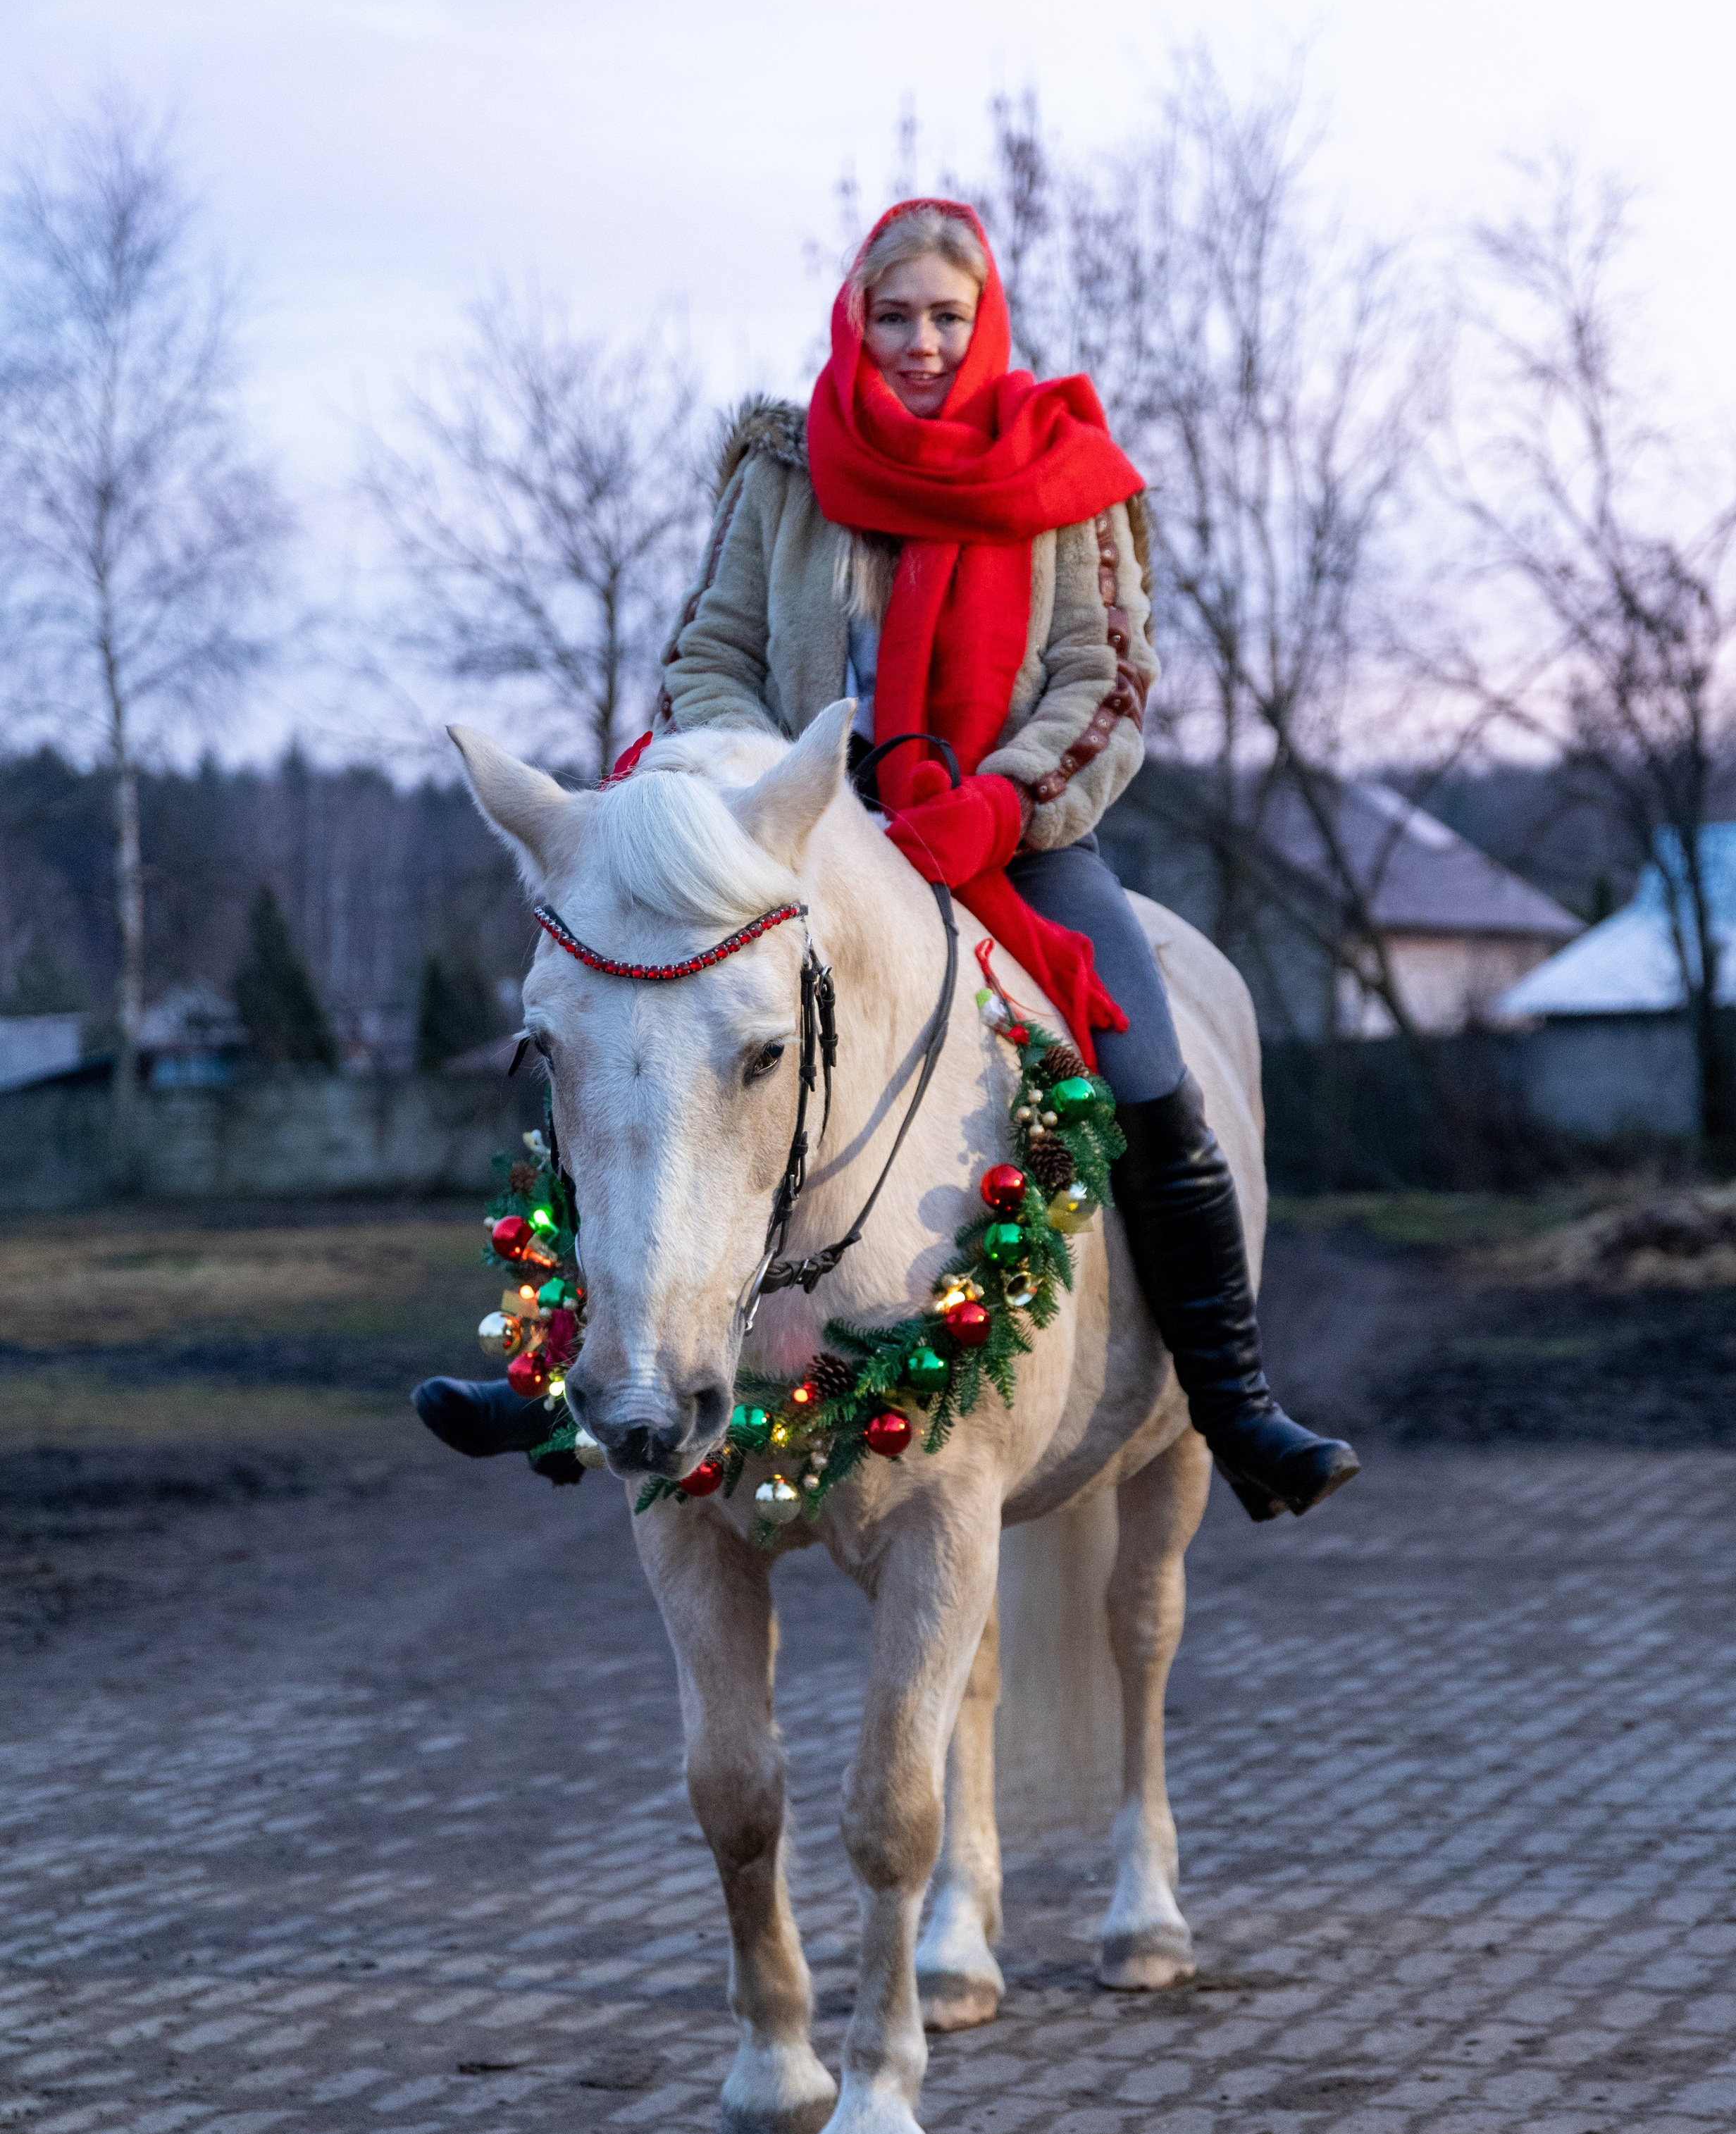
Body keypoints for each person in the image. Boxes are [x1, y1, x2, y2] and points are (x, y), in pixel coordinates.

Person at [415, 199, 1356, 1521]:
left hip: (1004, 839)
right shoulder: (782, 475)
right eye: (894, 316)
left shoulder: (1069, 478)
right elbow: (710, 658)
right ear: (856, 322)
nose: (919, 343)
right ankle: (578, 1359)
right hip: (789, 851)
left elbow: (1106, 681)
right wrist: (756, 800)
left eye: (946, 319)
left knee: (1150, 1069)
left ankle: (1236, 1398)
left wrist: (997, 804)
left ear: (987, 328)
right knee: (632, 1046)